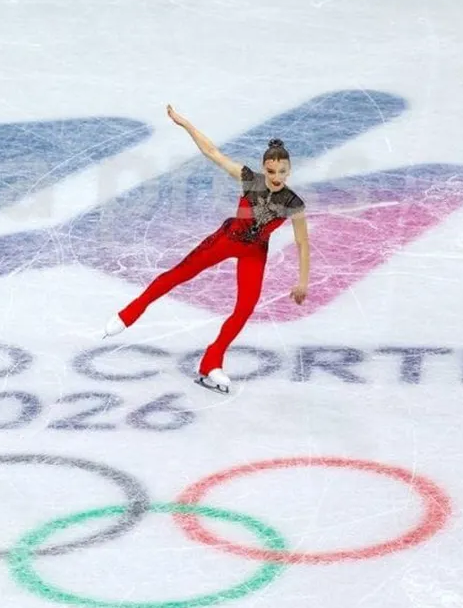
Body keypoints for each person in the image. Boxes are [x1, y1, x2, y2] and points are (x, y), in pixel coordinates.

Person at [104, 105, 310, 394]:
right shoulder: (249, 180)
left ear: (289, 170)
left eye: (282, 171)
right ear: (264, 168)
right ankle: (130, 313)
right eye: (271, 170)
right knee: (180, 274)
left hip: (255, 253)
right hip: (227, 239)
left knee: (245, 309)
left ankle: (212, 361)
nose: (277, 176)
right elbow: (212, 152)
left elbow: (302, 242)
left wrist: (302, 281)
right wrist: (185, 124)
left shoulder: (293, 203)